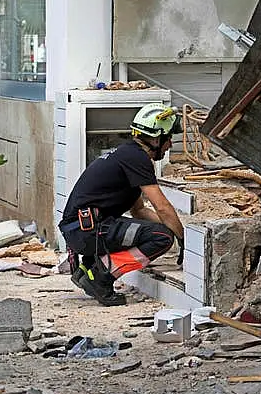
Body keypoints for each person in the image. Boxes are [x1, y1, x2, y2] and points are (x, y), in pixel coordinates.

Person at [59, 103, 185, 306]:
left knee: (160, 231)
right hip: (87, 231)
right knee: (161, 237)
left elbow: (139, 211)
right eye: (168, 138)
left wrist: (173, 226)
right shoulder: (137, 158)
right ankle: (101, 277)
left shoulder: (127, 154)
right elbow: (162, 206)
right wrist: (179, 236)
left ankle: (89, 270)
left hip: (81, 230)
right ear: (155, 139)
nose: (170, 144)